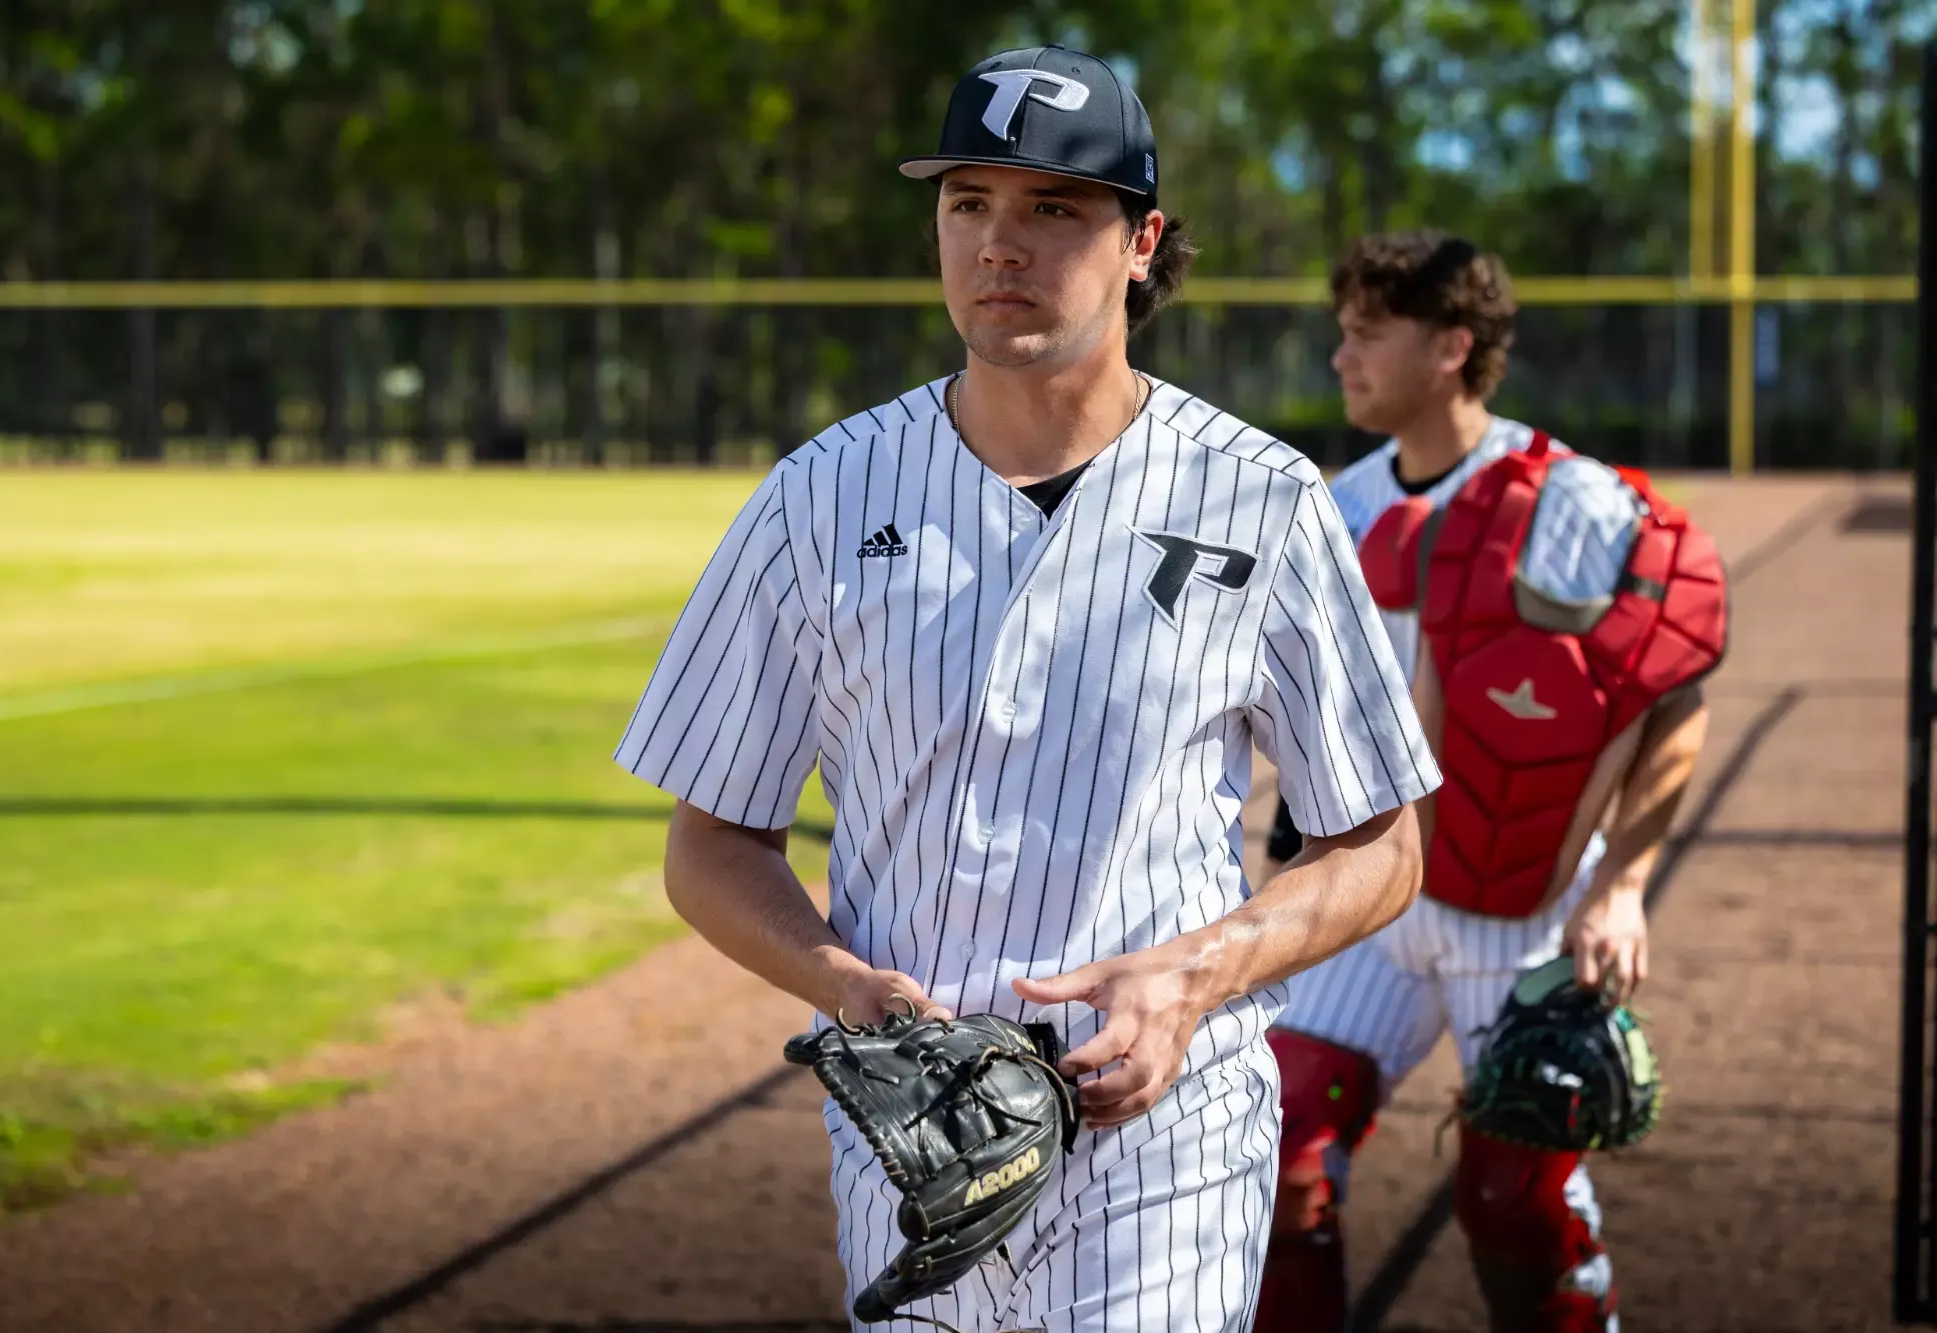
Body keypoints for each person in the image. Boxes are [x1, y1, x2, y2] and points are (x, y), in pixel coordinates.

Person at [616, 47, 1441, 1333]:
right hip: (912, 1141)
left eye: (1052, 207)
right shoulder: (819, 497)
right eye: (968, 204)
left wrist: (1199, 973)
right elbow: (709, 840)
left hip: (1167, 1135)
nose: (999, 244)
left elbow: (1380, 844)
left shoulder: (1260, 497)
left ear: (1140, 243)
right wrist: (848, 988)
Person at [1252, 232, 1720, 1333]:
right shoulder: (1340, 506)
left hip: (1520, 908)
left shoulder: (1571, 502)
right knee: (1280, 1157)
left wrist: (1624, 886)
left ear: (1452, 347)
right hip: (1371, 901)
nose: (1341, 356)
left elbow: (1675, 702)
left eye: (1368, 333)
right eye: (1341, 332)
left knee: (1517, 1202)